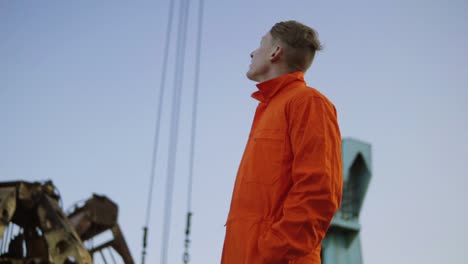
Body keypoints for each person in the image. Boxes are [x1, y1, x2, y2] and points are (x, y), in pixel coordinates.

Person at [221, 21, 343, 264]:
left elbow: (318, 192)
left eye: (260, 44)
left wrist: (271, 254)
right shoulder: (268, 111)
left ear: (276, 52)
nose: (253, 52)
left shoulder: (308, 103)